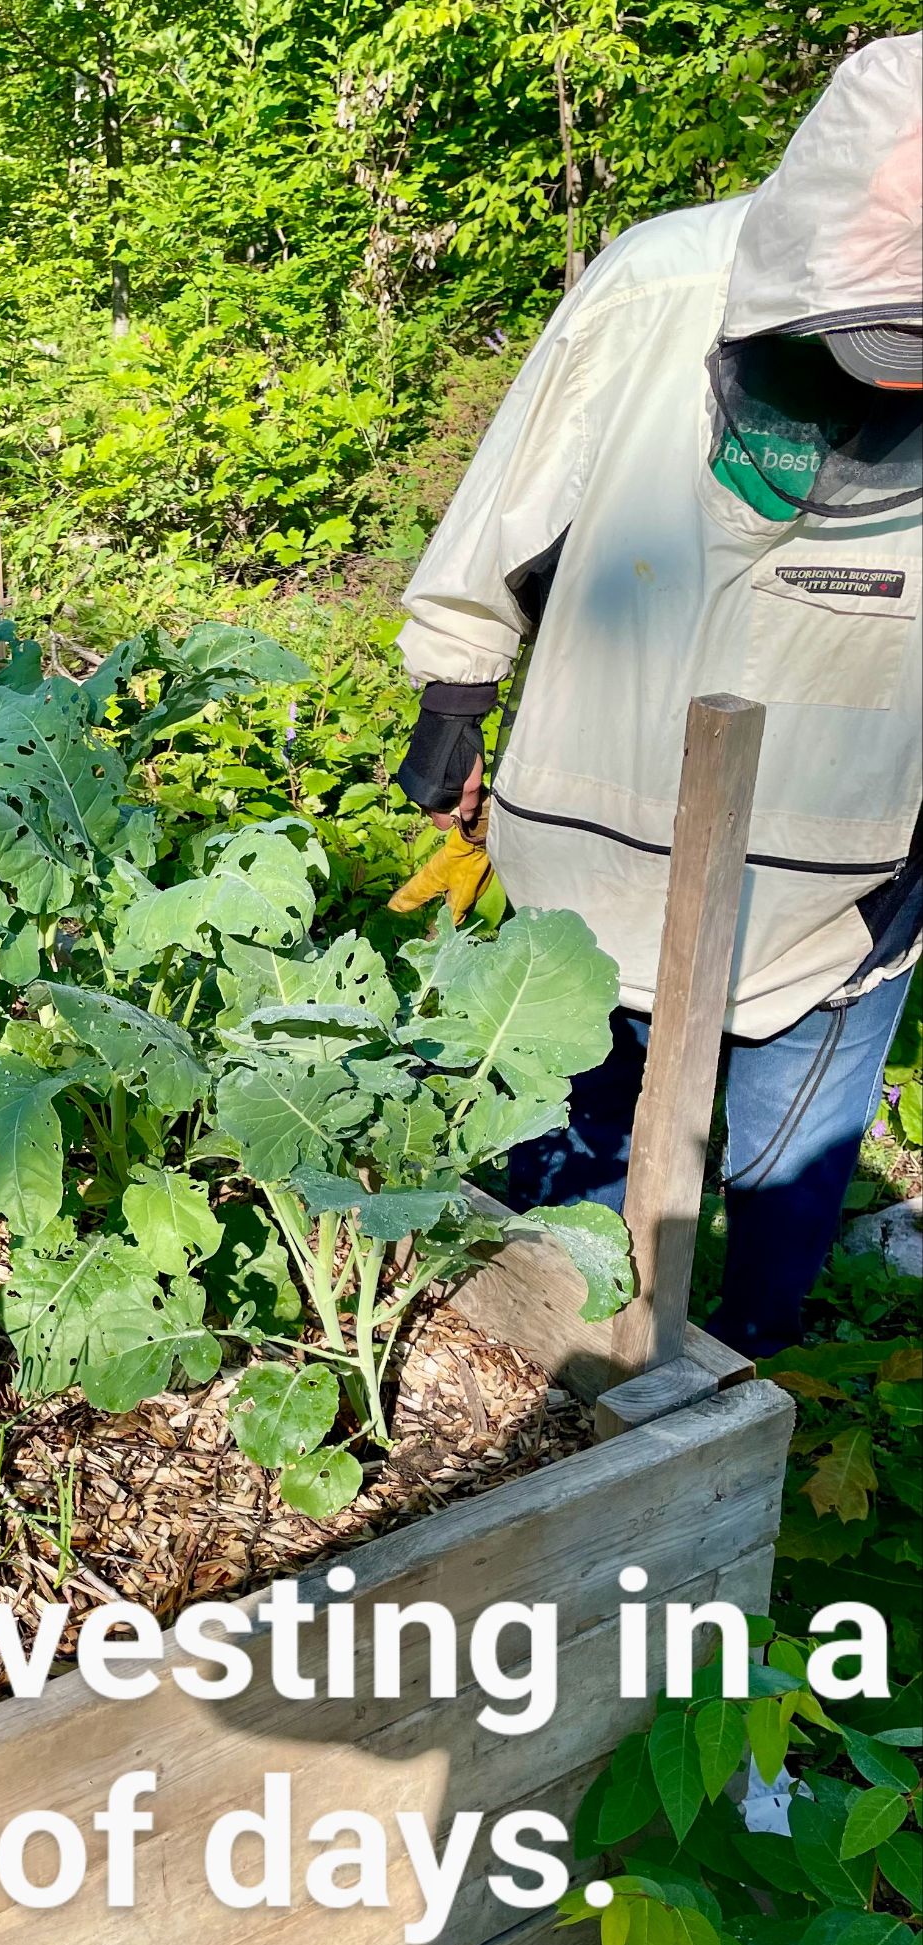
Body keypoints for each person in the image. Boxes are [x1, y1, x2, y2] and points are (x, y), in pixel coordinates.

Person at [390, 34, 923, 1359]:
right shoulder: (658, 280)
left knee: (786, 1150)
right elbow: (511, 493)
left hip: (837, 874)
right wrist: (451, 691)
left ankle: (743, 1364)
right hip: (592, 816)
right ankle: (553, 1358)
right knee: (575, 1106)